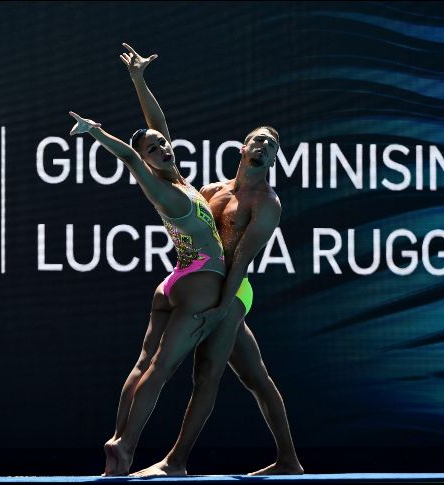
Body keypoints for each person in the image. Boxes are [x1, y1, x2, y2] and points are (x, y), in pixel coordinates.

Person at [110, 44, 304, 476]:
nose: (266, 148)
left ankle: (175, 461)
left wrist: (222, 308)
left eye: (273, 146)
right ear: (243, 147)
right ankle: (289, 461)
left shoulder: (267, 204)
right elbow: (158, 132)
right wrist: (140, 80)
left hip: (234, 289)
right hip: (210, 283)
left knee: (207, 373)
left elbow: (242, 261)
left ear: (274, 158)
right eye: (260, 140)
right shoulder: (213, 190)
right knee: (256, 375)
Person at [68, 44, 226, 476]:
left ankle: (118, 439)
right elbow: (129, 154)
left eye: (164, 143)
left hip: (175, 279)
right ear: (148, 159)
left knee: (144, 364)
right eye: (155, 149)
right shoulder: (161, 187)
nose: (163, 146)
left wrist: (139, 79)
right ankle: (125, 444)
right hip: (199, 279)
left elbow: (156, 126)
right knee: (158, 369)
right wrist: (98, 133)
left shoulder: (175, 174)